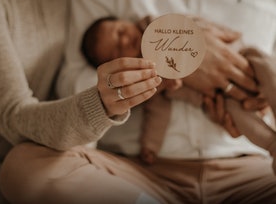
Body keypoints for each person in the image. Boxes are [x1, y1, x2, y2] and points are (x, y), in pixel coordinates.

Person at [56, 0, 276, 202]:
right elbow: (71, 87)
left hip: (251, 169)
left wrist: (256, 97)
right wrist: (165, 63)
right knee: (25, 167)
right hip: (137, 174)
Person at [0, 0, 179, 203]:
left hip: (49, 149)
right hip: (7, 150)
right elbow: (13, 115)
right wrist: (102, 105)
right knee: (27, 166)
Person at [81, 15, 276, 169]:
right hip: (221, 98)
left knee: (266, 66)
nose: (123, 41)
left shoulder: (164, 25)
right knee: (239, 115)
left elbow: (200, 26)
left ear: (127, 21)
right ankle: (272, 146)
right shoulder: (152, 83)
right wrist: (151, 145)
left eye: (120, 31)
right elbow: (157, 113)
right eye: (116, 51)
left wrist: (224, 35)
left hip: (242, 58)